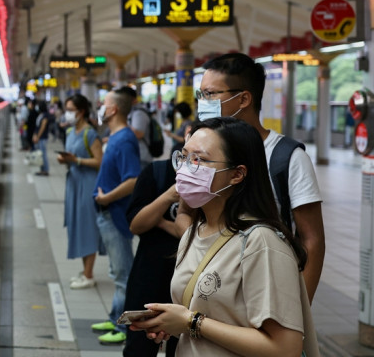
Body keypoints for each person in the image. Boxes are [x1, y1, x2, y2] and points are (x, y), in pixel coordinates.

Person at [131, 117, 318, 356]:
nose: (187, 168)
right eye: (184, 157)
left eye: (199, 159)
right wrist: (173, 324)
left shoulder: (261, 242)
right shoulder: (194, 232)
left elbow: (285, 347)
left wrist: (191, 322)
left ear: (237, 174)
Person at [194, 52, 324, 303]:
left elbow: (312, 239)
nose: (203, 102)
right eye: (201, 95)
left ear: (243, 99)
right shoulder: (202, 151)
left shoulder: (287, 157)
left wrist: (299, 311)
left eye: (210, 94)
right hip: (209, 289)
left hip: (267, 292)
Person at [91, 90, 141, 344]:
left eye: (104, 104)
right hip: (108, 214)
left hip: (115, 215)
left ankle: (124, 329)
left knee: (123, 274)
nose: (100, 107)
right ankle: (114, 319)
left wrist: (107, 198)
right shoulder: (115, 136)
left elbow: (133, 180)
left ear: (113, 111)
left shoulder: (123, 140)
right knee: (116, 271)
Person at [122, 159, 180, 357]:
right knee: (138, 348)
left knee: (181, 349)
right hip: (148, 278)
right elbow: (136, 225)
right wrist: (169, 196)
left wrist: (160, 222)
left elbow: (187, 231)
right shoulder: (157, 172)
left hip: (185, 287)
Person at [57, 94, 104, 289]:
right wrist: (66, 159)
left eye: (71, 110)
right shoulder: (69, 132)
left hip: (87, 184)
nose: (67, 114)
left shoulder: (89, 134)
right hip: (74, 184)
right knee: (76, 224)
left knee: (87, 227)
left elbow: (99, 161)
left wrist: (75, 160)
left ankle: (88, 274)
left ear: (81, 111)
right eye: (66, 109)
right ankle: (85, 271)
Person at [121, 86, 153, 168]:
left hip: (142, 157)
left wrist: (121, 123)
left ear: (130, 98)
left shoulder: (139, 113)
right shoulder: (132, 112)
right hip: (136, 155)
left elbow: (139, 134)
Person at [32, 100, 50, 176]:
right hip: (39, 137)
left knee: (43, 154)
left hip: (42, 137)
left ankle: (45, 170)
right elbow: (37, 126)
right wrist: (34, 135)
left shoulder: (45, 115)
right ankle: (42, 169)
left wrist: (38, 137)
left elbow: (42, 127)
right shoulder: (41, 115)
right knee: (40, 154)